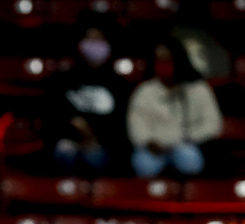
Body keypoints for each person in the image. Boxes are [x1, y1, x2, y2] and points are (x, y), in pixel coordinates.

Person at [127, 38, 222, 178]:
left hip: (187, 144)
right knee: (144, 164)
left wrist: (188, 139)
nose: (163, 64)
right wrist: (149, 142)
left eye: (168, 59)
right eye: (159, 60)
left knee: (189, 158)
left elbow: (212, 124)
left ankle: (191, 190)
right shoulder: (144, 91)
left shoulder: (199, 88)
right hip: (154, 148)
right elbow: (136, 125)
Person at [47, 25, 130, 175]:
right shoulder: (63, 79)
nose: (94, 44)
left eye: (99, 39)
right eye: (90, 39)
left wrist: (93, 135)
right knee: (65, 150)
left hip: (102, 145)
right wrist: (74, 129)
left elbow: (120, 125)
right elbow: (54, 116)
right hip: (70, 140)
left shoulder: (118, 84)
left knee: (94, 156)